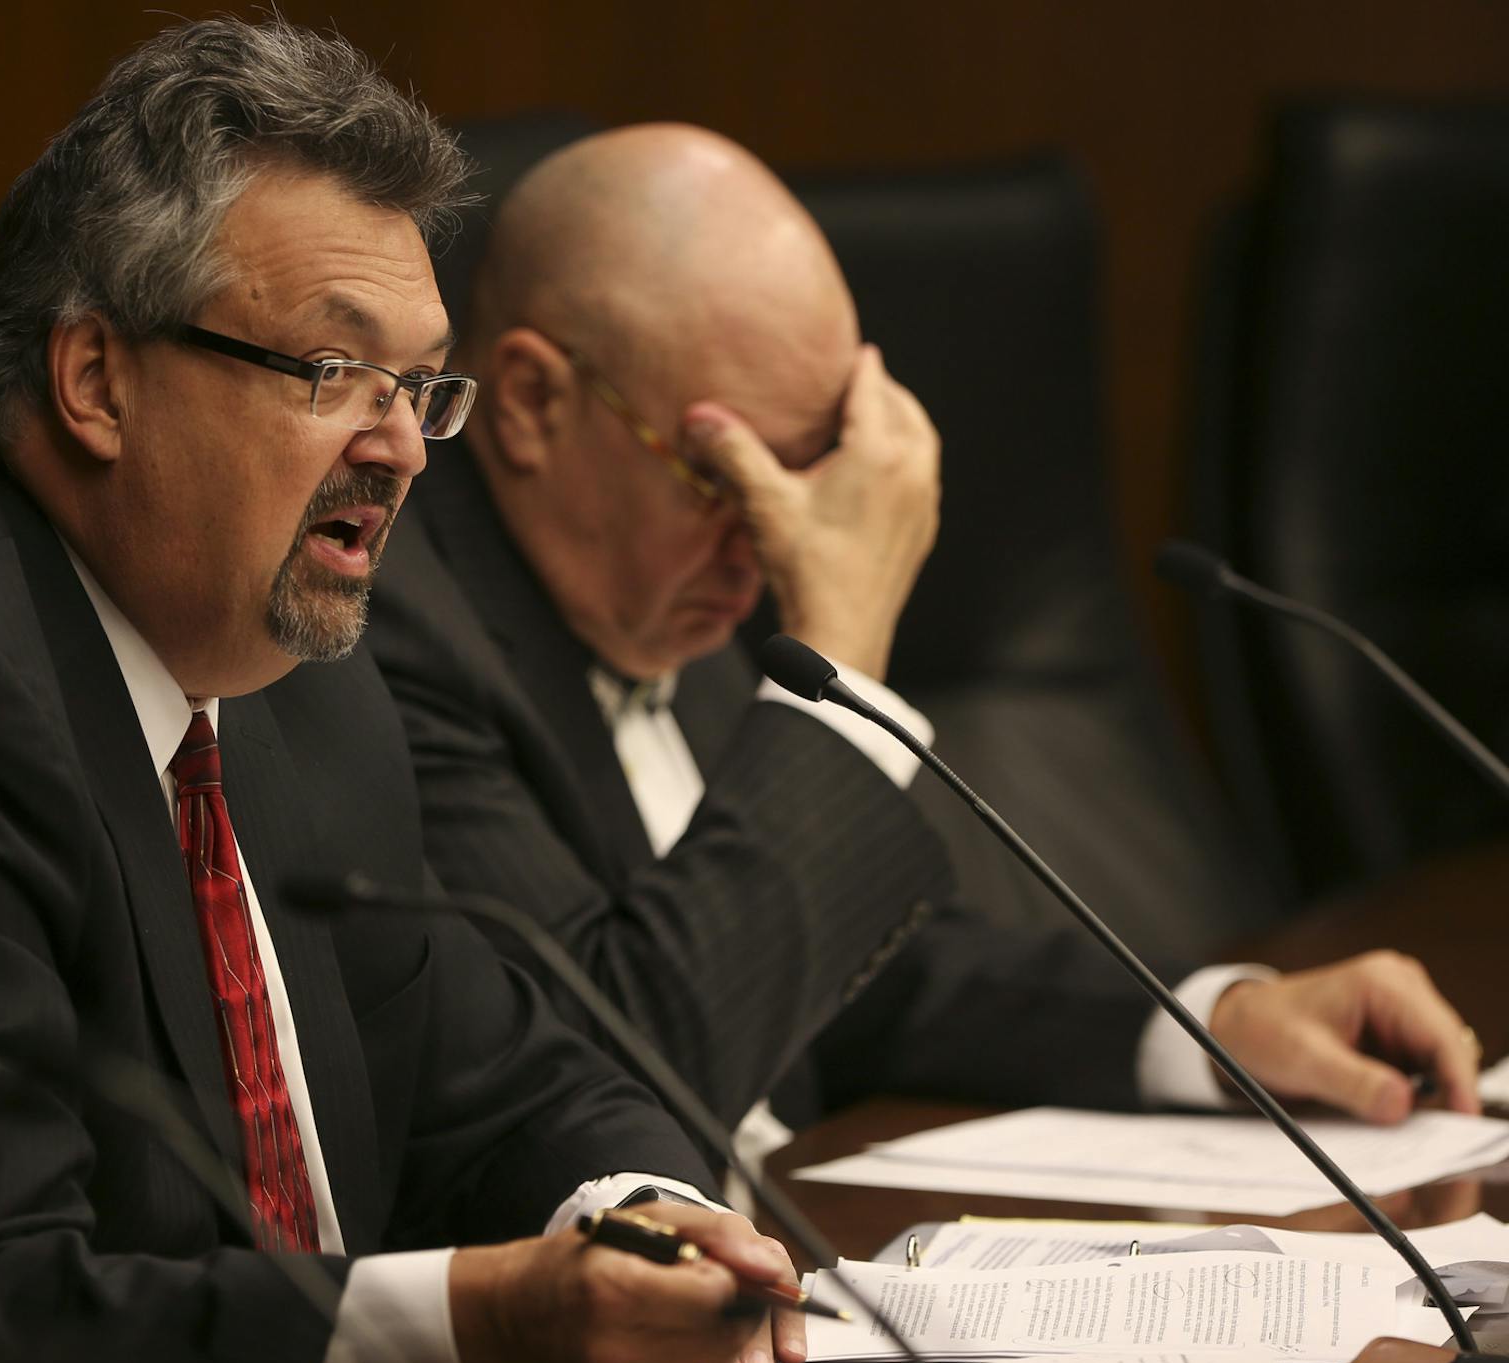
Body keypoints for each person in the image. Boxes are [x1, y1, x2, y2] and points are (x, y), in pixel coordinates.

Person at [0, 25, 815, 1363]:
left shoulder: (287, 669)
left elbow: (507, 1075)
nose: (396, 444)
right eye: (335, 373)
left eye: (417, 386)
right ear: (97, 378)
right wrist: (477, 1324)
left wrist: (638, 1210)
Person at [363, 122, 1482, 1163]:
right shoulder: (393, 638)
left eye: (810, 477)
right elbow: (611, 1083)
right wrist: (841, 645)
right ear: (530, 403)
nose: (773, 550)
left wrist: (1224, 1019)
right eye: (725, 476)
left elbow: (856, 979)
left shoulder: (659, 561)